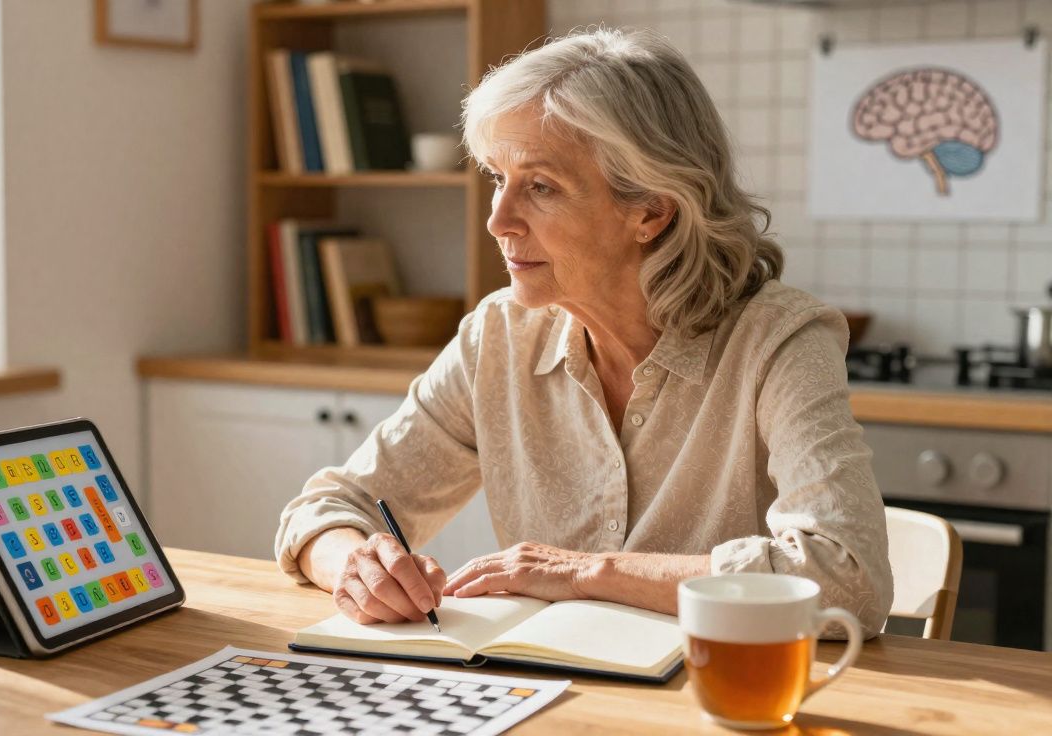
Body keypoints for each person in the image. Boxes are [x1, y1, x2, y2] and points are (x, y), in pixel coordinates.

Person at [274, 28, 892, 634]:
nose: (498, 220)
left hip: (723, 686)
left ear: (650, 210)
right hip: (538, 687)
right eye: (497, 178)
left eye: (540, 187)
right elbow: (327, 509)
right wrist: (354, 564)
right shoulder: (499, 336)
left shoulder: (779, 340)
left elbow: (847, 578)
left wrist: (588, 573)